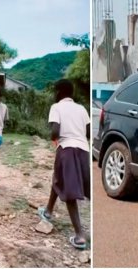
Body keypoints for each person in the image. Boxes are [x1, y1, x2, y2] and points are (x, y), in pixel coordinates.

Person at [37, 79, 90, 250]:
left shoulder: (57, 107)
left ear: (58, 92)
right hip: (83, 149)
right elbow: (88, 131)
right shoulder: (81, 108)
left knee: (70, 190)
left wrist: (54, 139)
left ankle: (80, 235)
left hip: (66, 149)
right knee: (58, 178)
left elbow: (55, 131)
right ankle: (48, 211)